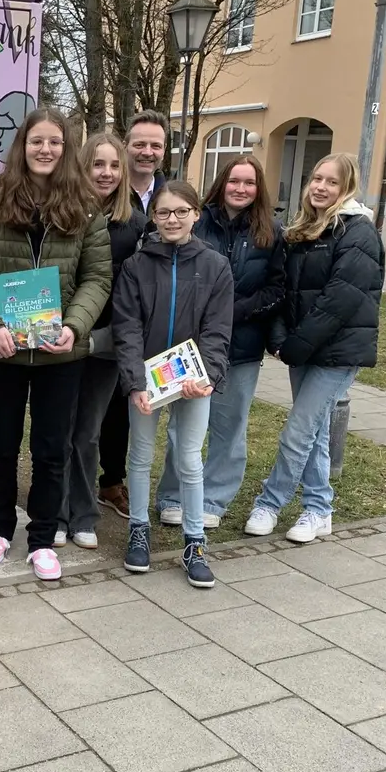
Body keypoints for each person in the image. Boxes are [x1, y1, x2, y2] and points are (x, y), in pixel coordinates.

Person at [0, 107, 111, 581]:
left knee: (50, 448)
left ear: (65, 150)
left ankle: (43, 538)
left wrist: (75, 325)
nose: (45, 149)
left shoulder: (86, 208)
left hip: (59, 353)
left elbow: (98, 276)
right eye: (36, 141)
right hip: (1, 351)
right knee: (2, 444)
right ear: (22, 147)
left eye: (55, 142)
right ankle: (0, 528)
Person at [246, 152, 384, 543]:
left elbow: (341, 298)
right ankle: (319, 508)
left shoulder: (357, 231)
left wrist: (296, 346)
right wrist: (280, 338)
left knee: (298, 431)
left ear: (347, 188)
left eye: (332, 182)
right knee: (316, 433)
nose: (321, 187)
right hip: (302, 348)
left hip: (336, 353)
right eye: (317, 179)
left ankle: (270, 502)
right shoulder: (303, 229)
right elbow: (286, 292)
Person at [154, 155, 286, 530]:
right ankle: (173, 496)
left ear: (258, 188)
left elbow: (277, 287)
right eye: (234, 181)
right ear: (221, 183)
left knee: (229, 427)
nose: (240, 189)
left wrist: (232, 310)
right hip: (191, 346)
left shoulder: (270, 231)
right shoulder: (199, 220)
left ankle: (213, 498)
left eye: (248, 183)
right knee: (183, 427)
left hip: (241, 346)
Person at [113, 180, 233, 585]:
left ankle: (195, 541)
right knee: (141, 456)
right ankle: (138, 530)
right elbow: (127, 328)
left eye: (182, 211)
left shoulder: (215, 266)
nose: (172, 219)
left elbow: (217, 330)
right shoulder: (136, 266)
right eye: (164, 212)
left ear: (196, 214)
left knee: (189, 460)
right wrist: (134, 382)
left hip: (193, 381)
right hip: (146, 379)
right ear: (153, 217)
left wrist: (208, 377)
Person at [56, 133, 149, 550]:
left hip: (106, 343)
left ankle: (84, 514)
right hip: (58, 339)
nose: (106, 173)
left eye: (114, 165)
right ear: (82, 166)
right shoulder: (61, 213)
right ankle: (54, 513)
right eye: (98, 164)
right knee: (57, 427)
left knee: (88, 433)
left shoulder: (137, 225)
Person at [97, 109, 169, 518]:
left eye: (154, 145)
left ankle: (115, 480)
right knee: (98, 406)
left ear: (163, 150)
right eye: (139, 143)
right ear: (127, 146)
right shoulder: (106, 190)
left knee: (132, 400)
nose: (146, 151)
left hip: (146, 321)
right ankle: (102, 480)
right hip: (100, 316)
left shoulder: (169, 197)